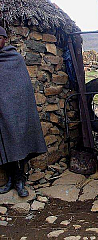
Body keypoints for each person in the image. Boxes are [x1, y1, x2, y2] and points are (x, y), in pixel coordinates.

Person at [0, 26, 47, 197]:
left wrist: (12, 103)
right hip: (0, 113)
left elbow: (22, 86)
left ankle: (20, 180)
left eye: (0, 37)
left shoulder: (14, 59)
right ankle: (11, 179)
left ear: (5, 40)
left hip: (16, 111)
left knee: (18, 141)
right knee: (5, 145)